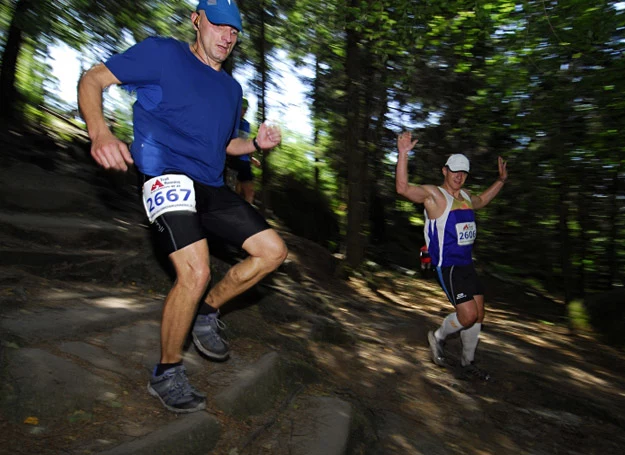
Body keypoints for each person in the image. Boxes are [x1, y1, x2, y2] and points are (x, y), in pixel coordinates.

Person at [78, 0, 288, 413]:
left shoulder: (232, 90)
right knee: (195, 270)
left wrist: (256, 145)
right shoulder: (163, 54)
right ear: (196, 21)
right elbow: (93, 79)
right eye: (219, 25)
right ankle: (167, 372)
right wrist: (100, 133)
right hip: (166, 175)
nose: (228, 36)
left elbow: (226, 145)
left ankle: (208, 311)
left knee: (273, 252)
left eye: (235, 31)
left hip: (210, 185)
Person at [395, 131, 507, 380]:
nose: (459, 176)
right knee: (467, 315)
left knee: (478, 315)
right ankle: (437, 337)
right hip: (448, 266)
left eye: (463, 172)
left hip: (467, 264)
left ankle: (468, 363)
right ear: (444, 170)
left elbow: (482, 200)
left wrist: (500, 181)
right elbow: (402, 189)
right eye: (454, 170)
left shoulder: (466, 197)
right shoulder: (434, 195)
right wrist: (403, 154)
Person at [233, 98, 261, 204]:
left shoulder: (246, 125)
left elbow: (245, 143)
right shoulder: (230, 121)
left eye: (246, 109)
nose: (244, 111)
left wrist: (251, 158)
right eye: (242, 108)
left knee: (250, 191)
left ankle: (246, 216)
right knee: (235, 189)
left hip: (244, 161)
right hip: (231, 159)